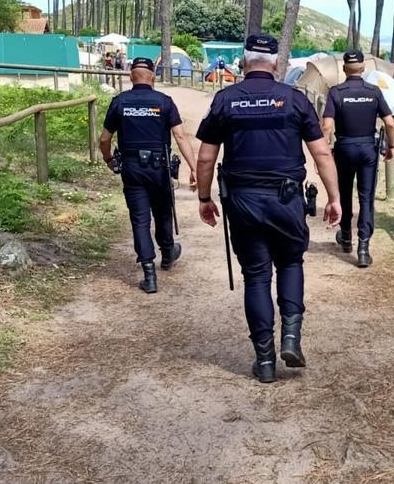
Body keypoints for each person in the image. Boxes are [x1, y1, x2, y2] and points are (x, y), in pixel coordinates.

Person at [195, 34, 342, 384]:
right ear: (276, 63)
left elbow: (205, 157)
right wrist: (334, 197)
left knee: (257, 276)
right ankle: (291, 337)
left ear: (243, 62)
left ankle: (264, 361)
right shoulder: (294, 99)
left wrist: (204, 198)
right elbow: (321, 153)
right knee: (290, 262)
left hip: (242, 201)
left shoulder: (225, 99)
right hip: (286, 199)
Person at [99, 57, 199, 294]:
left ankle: (149, 274)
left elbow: (104, 139)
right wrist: (194, 167)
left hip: (132, 169)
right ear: (153, 77)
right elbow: (180, 136)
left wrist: (109, 160)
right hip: (159, 168)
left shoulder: (119, 102)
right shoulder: (164, 102)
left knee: (140, 220)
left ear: (131, 77)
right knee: (163, 211)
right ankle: (167, 254)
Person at [321, 50, 394, 268]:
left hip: (344, 148)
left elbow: (327, 126)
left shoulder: (336, 92)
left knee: (344, 192)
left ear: (344, 68)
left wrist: (325, 151)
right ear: (363, 68)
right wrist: (390, 146)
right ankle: (363, 248)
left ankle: (346, 236)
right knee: (366, 198)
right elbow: (390, 124)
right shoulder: (373, 92)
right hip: (367, 149)